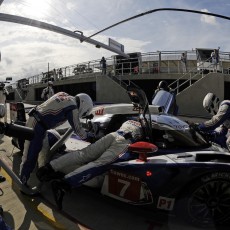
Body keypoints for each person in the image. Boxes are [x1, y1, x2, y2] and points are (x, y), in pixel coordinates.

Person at [36, 120, 143, 210]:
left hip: (114, 135)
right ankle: (64, 184)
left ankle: (49, 168)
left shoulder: (130, 119)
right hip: (125, 142)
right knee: (100, 165)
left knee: (83, 154)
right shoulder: (146, 125)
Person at [20, 92, 94, 186]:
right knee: (31, 155)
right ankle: (23, 182)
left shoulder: (65, 95)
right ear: (84, 105)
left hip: (38, 122)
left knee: (44, 151)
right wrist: (90, 137)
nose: (82, 114)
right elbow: (78, 130)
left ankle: (42, 174)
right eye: (84, 113)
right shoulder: (72, 107)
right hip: (37, 125)